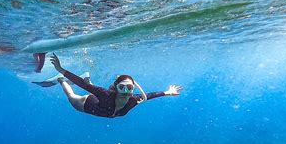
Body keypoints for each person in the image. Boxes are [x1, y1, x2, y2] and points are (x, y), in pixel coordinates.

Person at [32, 53, 183, 118]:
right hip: (88, 104)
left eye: (129, 88)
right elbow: (82, 85)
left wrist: (168, 92)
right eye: (122, 87)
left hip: (100, 104)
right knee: (72, 97)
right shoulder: (106, 94)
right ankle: (60, 80)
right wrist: (61, 70)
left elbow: (150, 96)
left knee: (92, 88)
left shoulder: (134, 100)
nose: (125, 91)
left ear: (134, 89)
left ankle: (87, 77)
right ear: (116, 87)